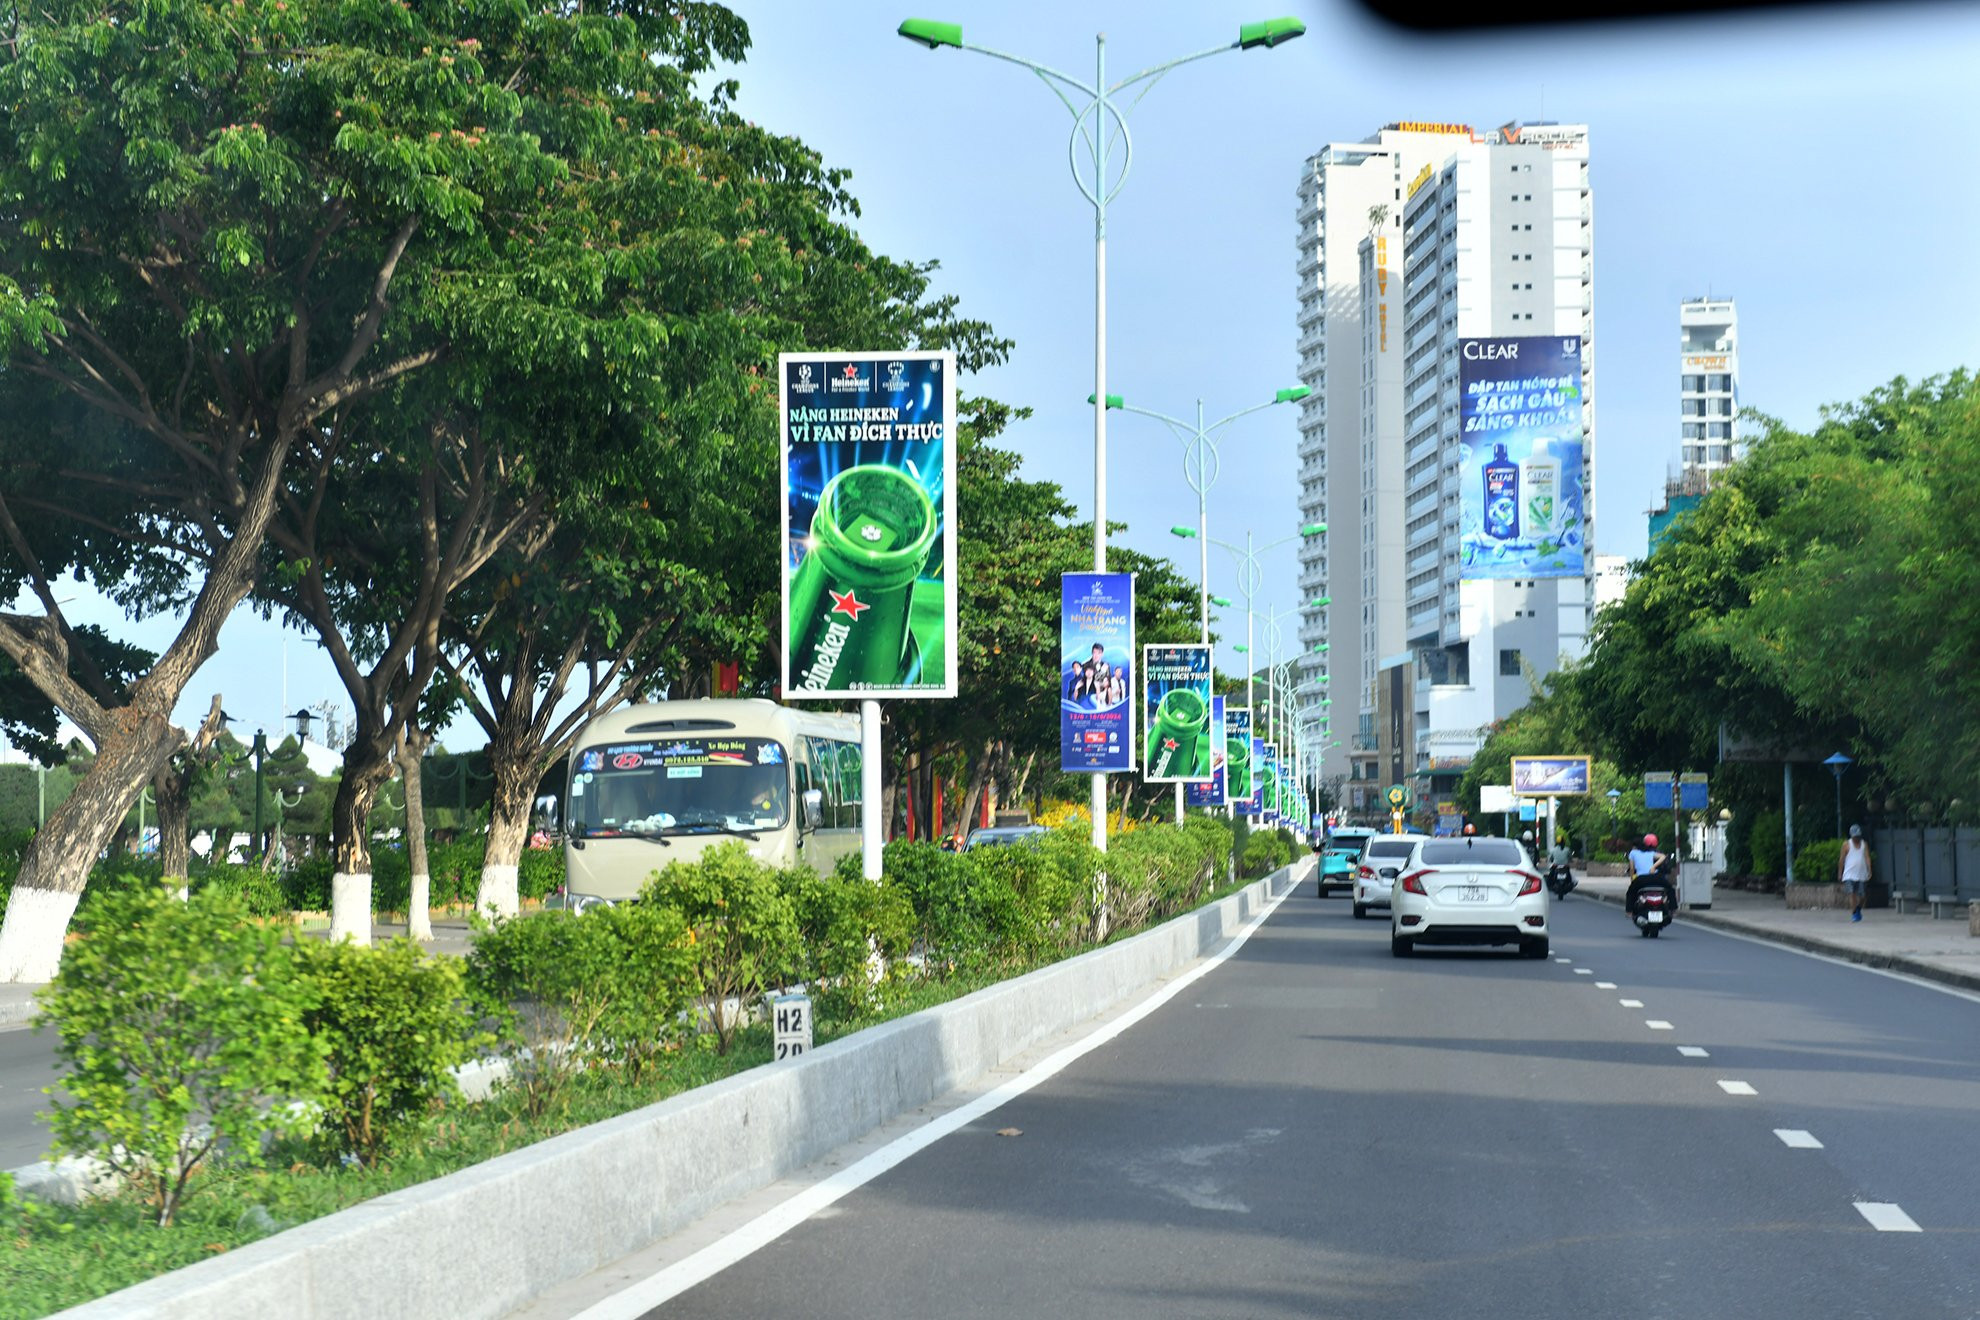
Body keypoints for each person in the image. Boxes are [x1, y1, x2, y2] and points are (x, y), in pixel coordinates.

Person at [1625, 832, 1668, 911]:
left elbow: (1632, 869)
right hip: (1655, 877)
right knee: (1669, 889)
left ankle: (1629, 911)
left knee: (1630, 892)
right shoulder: (1650, 852)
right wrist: (1653, 867)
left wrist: (1632, 880)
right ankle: (1673, 909)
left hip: (1641, 878)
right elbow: (1663, 857)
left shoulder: (1633, 853)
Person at [1838, 823, 1872, 921]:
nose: (1856, 838)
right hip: (1849, 874)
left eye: (1857, 836)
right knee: (1852, 893)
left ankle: (1858, 909)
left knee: (1862, 895)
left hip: (1861, 874)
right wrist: (1840, 873)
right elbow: (1842, 860)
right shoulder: (1846, 845)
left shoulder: (1864, 844)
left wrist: (1869, 869)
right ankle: (1854, 913)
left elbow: (1867, 857)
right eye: (1854, 837)